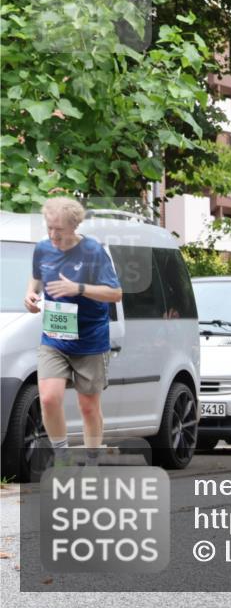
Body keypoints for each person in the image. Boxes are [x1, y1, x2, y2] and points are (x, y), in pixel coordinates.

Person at [24, 197, 123, 467]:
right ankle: (62, 456)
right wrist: (30, 294)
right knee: (48, 397)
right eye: (49, 227)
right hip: (54, 339)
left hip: (89, 341)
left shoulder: (93, 252)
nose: (53, 234)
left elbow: (115, 293)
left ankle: (92, 462)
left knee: (88, 407)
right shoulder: (43, 249)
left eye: (59, 229)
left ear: (74, 226)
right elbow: (36, 276)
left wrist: (78, 288)